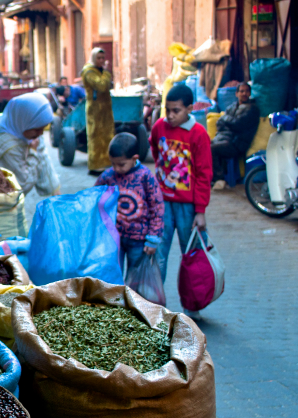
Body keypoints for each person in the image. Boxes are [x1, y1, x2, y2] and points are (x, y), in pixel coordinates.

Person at [150, 83, 212, 292]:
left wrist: (200, 211)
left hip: (188, 207)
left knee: (191, 257)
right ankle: (153, 305)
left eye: (176, 111)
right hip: (162, 203)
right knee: (157, 255)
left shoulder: (199, 134)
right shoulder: (159, 126)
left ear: (190, 109)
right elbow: (156, 150)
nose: (170, 115)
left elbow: (204, 174)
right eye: (167, 110)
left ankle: (191, 307)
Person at [95, 133, 164, 273]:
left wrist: (153, 238)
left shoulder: (145, 177)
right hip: (114, 238)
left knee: (136, 277)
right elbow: (94, 199)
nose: (116, 169)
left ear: (134, 159)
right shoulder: (108, 176)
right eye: (112, 163)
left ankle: (131, 296)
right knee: (113, 274)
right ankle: (117, 296)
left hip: (139, 239)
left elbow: (157, 208)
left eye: (121, 164)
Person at [0, 92, 60, 196]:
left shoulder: (20, 129)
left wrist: (56, 195)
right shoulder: (9, 147)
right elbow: (21, 186)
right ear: (23, 121)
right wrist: (33, 152)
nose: (40, 134)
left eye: (43, 129)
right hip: (0, 203)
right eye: (37, 129)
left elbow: (44, 162)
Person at [210, 82, 260, 189]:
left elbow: (238, 125)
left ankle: (219, 179)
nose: (244, 93)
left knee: (212, 149)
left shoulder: (252, 109)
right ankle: (209, 177)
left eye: (246, 91)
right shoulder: (232, 107)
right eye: (241, 91)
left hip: (237, 143)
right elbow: (219, 123)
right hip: (226, 138)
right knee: (204, 144)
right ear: (237, 93)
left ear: (250, 93)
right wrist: (227, 121)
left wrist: (225, 119)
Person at [81, 48, 115, 175]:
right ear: (94, 58)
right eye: (98, 58)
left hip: (105, 109)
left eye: (103, 58)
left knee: (108, 135)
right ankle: (95, 165)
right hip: (95, 109)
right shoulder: (89, 71)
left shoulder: (99, 71)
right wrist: (106, 73)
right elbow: (101, 85)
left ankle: (106, 162)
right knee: (95, 136)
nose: (101, 61)